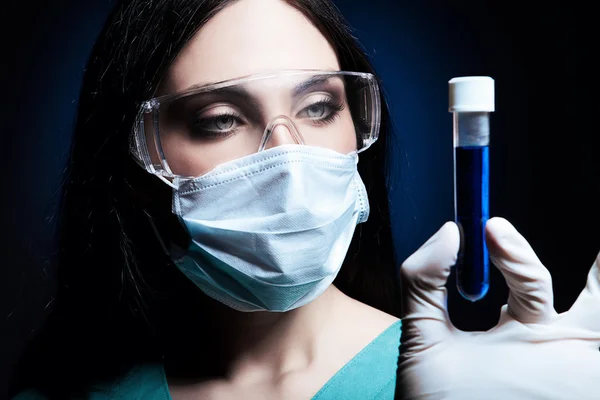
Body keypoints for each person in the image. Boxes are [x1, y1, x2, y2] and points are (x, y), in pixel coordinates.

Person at [9, 0, 600, 399]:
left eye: (319, 108)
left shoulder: (455, 377)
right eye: (220, 120)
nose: (289, 161)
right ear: (137, 162)